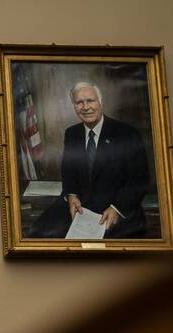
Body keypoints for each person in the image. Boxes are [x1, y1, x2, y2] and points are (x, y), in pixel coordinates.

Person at [40, 82, 150, 238]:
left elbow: (139, 180)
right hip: (81, 209)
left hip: (117, 208)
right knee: (40, 232)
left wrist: (116, 208)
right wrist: (71, 196)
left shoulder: (127, 134)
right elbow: (68, 172)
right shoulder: (72, 133)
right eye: (79, 102)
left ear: (101, 103)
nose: (85, 107)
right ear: (74, 107)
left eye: (90, 101)